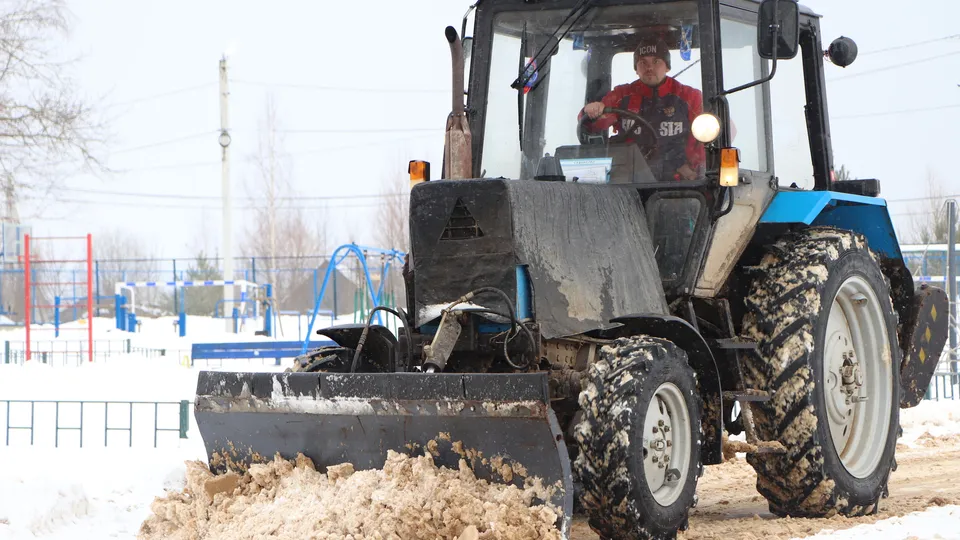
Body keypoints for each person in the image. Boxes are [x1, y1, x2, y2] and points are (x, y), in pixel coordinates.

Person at [580, 37, 705, 181]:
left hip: (677, 181)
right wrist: (592, 111)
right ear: (636, 69)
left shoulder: (690, 97)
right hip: (629, 178)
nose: (649, 68)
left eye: (656, 61)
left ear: (667, 66)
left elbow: (713, 133)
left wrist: (692, 169)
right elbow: (594, 123)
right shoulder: (622, 95)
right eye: (643, 63)